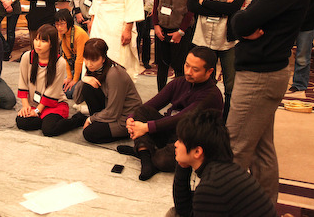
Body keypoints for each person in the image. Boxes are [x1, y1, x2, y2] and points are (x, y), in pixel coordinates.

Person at [227, 0, 309, 204]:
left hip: (260, 76)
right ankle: (263, 208)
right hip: (266, 71)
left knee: (234, 148)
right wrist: (242, 19)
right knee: (262, 149)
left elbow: (241, 20)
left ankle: (219, 207)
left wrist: (241, 18)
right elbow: (243, 19)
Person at [117, 46, 223, 181]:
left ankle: (144, 152)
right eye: (186, 65)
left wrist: (146, 127)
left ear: (209, 72)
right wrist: (131, 119)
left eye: (195, 69)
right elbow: (152, 104)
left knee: (162, 160)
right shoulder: (180, 82)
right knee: (141, 112)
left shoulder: (211, 95)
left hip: (192, 139)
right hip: (171, 131)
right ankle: (146, 156)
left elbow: (182, 118)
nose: (188, 72)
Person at [166, 109, 276, 217]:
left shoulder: (211, 187)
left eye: (180, 141)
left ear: (197, 151)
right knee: (174, 213)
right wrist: (182, 166)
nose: (175, 144)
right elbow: (184, 209)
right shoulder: (224, 170)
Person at [188, 0, 248, 121]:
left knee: (231, 84)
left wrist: (205, 1)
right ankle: (201, 119)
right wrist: (223, 6)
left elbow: (234, 8)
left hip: (228, 38)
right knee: (202, 81)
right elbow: (192, 5)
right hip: (202, 35)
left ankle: (226, 121)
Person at [16, 24, 86, 136]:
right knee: (21, 121)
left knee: (49, 130)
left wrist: (37, 111)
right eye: (36, 39)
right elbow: (23, 83)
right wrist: (26, 107)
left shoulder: (60, 62)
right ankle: (44, 120)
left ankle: (76, 120)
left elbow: (52, 91)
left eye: (43, 41)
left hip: (54, 104)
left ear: (51, 44)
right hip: (34, 103)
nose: (38, 44)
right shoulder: (27, 57)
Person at [73, 38, 143, 143]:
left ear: (103, 59)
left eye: (94, 60)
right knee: (88, 86)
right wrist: (83, 80)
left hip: (126, 118)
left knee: (89, 133)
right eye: (86, 59)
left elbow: (114, 112)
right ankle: (97, 121)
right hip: (111, 111)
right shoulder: (94, 69)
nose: (89, 64)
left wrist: (91, 119)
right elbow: (77, 99)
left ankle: (127, 132)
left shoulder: (114, 74)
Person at [152, 0, 197, 91]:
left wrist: (181, 31)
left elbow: (191, 9)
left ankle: (179, 96)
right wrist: (156, 25)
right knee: (162, 66)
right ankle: (161, 94)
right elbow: (156, 0)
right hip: (162, 28)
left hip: (181, 30)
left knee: (179, 66)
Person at [288, 0, 314, 94]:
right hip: (291, 23)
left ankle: (299, 84)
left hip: (308, 25)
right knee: (283, 52)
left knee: (303, 56)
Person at [54, 8, 89, 99]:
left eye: (62, 24)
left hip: (87, 68)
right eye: (57, 24)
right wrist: (69, 77)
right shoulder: (62, 33)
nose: (59, 27)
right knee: (59, 87)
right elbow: (66, 57)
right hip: (75, 67)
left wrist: (75, 79)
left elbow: (80, 59)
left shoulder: (79, 34)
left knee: (70, 93)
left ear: (69, 23)